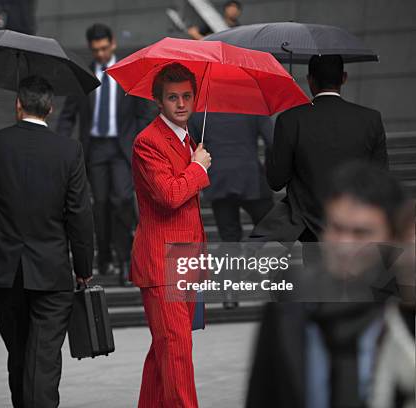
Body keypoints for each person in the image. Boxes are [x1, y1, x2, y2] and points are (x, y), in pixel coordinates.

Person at [246, 162, 411, 408]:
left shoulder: (402, 315)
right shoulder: (289, 307)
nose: (344, 245)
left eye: (361, 233)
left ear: (392, 238)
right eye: (337, 228)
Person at [0, 75, 94, 408]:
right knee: (43, 359)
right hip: (52, 271)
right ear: (51, 108)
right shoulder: (69, 151)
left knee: (18, 352)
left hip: (6, 270)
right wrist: (83, 268)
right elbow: (79, 214)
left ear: (18, 104)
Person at [251, 55, 389, 265]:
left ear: (310, 80)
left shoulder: (290, 120)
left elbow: (276, 180)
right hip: (355, 225)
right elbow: (381, 179)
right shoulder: (370, 119)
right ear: (344, 78)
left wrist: (276, 147)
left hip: (310, 225)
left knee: (317, 286)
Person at [131, 62, 211, 408]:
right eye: (173, 97)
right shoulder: (147, 142)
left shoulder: (187, 139)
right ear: (158, 101)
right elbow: (169, 195)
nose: (181, 104)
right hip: (163, 263)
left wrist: (194, 162)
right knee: (176, 356)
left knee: (164, 355)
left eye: (187, 96)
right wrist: (198, 167)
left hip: (183, 260)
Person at [57, 23, 152, 284]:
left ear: (113, 44)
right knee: (100, 205)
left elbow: (144, 113)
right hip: (95, 149)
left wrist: (139, 142)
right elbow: (68, 116)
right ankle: (105, 256)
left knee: (121, 200)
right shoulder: (84, 76)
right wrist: (59, 145)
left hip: (122, 148)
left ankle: (124, 259)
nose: (100, 53)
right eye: (95, 50)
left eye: (104, 48)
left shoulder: (129, 73)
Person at [189, 112, 274, 308]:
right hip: (250, 175)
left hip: (218, 179)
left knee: (229, 237)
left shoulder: (200, 114)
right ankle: (250, 251)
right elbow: (272, 141)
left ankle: (230, 295)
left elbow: (191, 147)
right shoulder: (253, 107)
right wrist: (270, 171)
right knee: (271, 219)